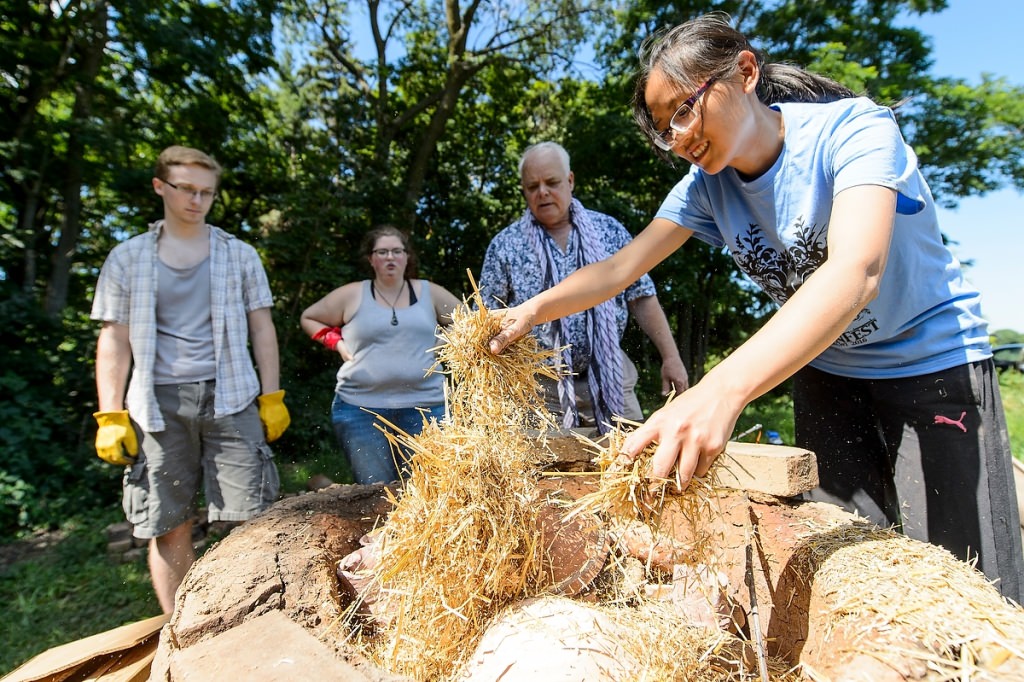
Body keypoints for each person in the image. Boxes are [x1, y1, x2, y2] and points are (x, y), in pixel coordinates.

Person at [486, 13, 1024, 602]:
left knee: (971, 585)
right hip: (830, 374)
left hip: (933, 368)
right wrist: (531, 310)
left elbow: (856, 271)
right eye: (666, 129)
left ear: (744, 71)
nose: (680, 137)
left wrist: (719, 390)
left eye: (685, 109)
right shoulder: (704, 188)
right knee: (847, 567)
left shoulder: (854, 130)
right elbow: (619, 270)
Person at [91, 145, 290, 614]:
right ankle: (182, 631)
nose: (197, 201)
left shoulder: (238, 255)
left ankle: (251, 623)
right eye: (187, 189)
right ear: (161, 186)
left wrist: (272, 396)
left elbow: (262, 328)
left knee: (252, 521)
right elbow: (114, 339)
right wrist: (110, 414)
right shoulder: (128, 259)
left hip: (234, 397)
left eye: (207, 192)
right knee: (168, 524)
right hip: (155, 405)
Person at [478, 141, 688, 433]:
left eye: (552, 182)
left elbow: (641, 297)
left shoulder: (608, 230)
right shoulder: (505, 244)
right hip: (537, 388)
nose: (542, 192)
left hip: (612, 375)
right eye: (532, 186)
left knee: (628, 463)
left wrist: (671, 357)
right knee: (545, 473)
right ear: (524, 191)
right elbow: (487, 315)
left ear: (570, 180)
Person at [300, 225, 462, 485]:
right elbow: (309, 317)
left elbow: (470, 321)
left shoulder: (429, 292)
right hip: (361, 409)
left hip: (426, 408)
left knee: (430, 491)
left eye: (397, 251)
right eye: (382, 251)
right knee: (376, 493)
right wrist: (336, 342)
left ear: (407, 257)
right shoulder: (352, 294)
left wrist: (447, 339)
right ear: (371, 259)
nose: (390, 257)